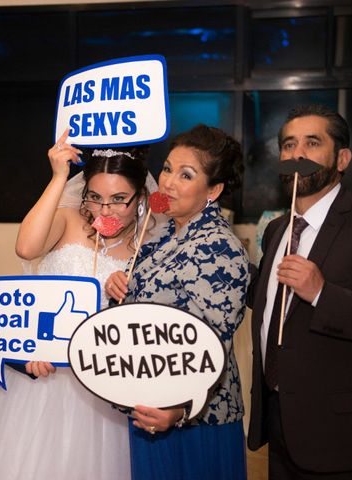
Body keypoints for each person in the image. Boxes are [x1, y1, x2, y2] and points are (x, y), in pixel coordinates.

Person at [0, 129, 156, 480]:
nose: (104, 210)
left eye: (118, 199)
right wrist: (57, 177)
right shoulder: (68, 222)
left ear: (140, 198)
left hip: (102, 388)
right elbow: (26, 248)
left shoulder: (150, 244)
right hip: (40, 379)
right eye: (94, 197)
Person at [247, 104, 352, 478]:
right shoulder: (276, 230)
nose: (297, 155)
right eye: (288, 145)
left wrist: (322, 293)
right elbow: (273, 309)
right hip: (280, 429)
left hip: (348, 440)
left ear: (342, 158)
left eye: (312, 143)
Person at [106, 124, 250, 479]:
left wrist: (180, 408)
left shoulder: (219, 247)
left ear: (213, 190)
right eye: (167, 168)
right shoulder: (161, 235)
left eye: (186, 175)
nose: (167, 182)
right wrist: (117, 288)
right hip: (149, 405)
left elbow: (211, 343)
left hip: (194, 419)